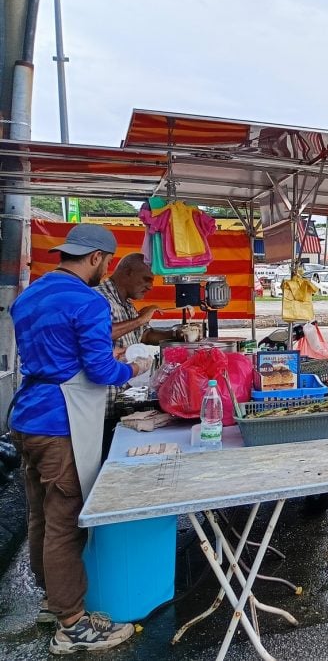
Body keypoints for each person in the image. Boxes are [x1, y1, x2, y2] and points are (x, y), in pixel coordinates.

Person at [9, 224, 153, 654]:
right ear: (95, 258)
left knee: (40, 516)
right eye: (106, 263)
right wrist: (132, 368)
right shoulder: (88, 301)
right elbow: (99, 372)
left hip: (26, 414)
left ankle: (53, 603)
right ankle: (72, 625)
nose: (104, 270)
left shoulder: (29, 296)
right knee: (65, 522)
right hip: (60, 422)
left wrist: (109, 357)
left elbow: (59, 355)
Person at [95, 253, 176, 457]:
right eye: (146, 279)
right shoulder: (98, 298)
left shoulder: (126, 303)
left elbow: (145, 334)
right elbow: (101, 333)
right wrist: (141, 319)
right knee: (98, 460)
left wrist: (176, 334)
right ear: (126, 272)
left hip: (118, 400)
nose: (150, 286)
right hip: (97, 406)